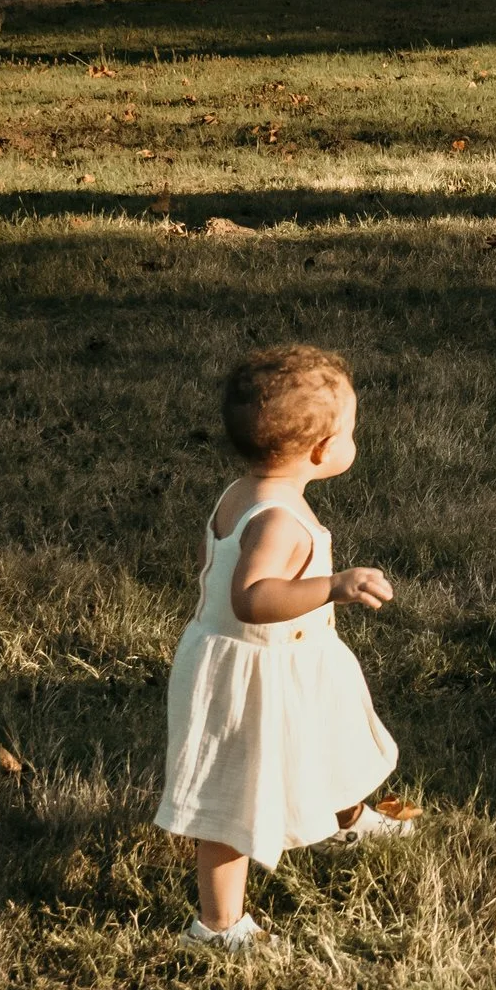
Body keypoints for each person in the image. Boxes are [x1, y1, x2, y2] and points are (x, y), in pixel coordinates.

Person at [156, 344, 412, 950]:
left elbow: (209, 565)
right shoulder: (278, 521)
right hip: (251, 675)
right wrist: (333, 586)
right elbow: (251, 597)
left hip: (290, 662)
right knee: (232, 798)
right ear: (322, 450)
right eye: (350, 430)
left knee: (329, 734)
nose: (355, 439)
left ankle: (347, 817)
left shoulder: (238, 494)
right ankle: (218, 925)